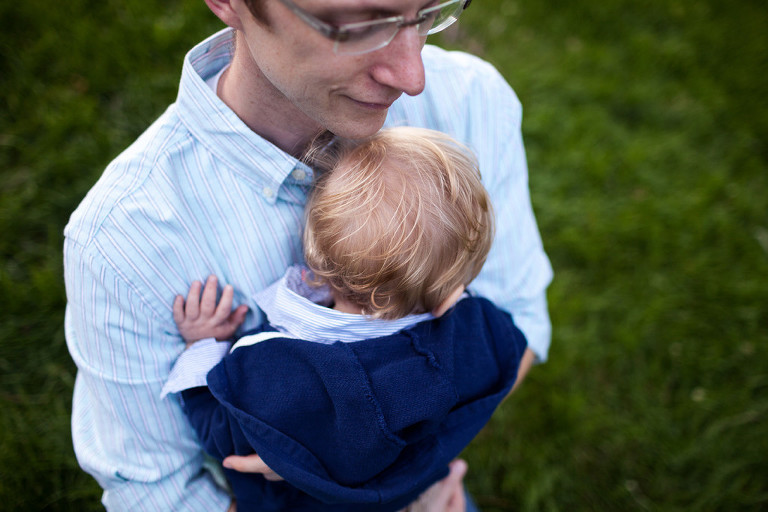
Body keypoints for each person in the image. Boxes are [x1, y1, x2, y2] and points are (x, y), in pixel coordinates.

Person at [64, 0, 553, 509]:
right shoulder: (119, 243)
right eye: (360, 25)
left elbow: (522, 322)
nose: (413, 76)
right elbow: (157, 490)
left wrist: (409, 473)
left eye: (429, 12)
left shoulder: (474, 98)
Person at [161, 127, 529, 511]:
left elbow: (222, 434)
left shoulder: (278, 372)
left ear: (316, 256)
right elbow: (508, 343)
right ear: (448, 286)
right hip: (424, 496)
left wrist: (201, 346)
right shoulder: (471, 342)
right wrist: (454, 301)